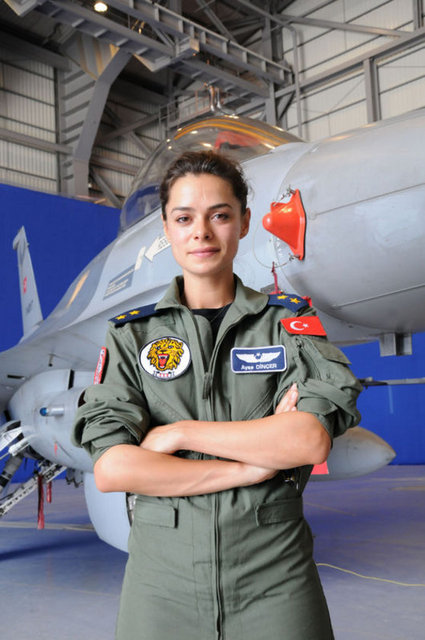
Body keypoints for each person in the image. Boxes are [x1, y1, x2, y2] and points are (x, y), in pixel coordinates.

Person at [72, 150, 362, 640]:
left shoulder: (287, 323)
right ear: (166, 229)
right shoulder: (131, 337)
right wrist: (250, 467)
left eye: (220, 215)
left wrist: (178, 433)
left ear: (244, 223)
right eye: (184, 218)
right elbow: (114, 469)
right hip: (161, 584)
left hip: (275, 577)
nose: (201, 233)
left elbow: (308, 441)